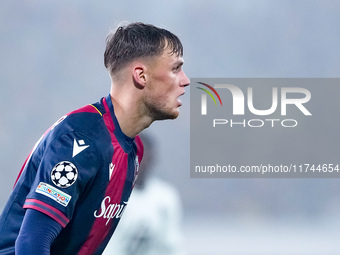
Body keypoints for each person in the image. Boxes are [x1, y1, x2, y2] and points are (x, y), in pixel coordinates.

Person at [0, 22, 190, 255]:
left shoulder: (134, 148)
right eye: (175, 69)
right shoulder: (81, 140)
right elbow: (31, 244)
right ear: (141, 76)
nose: (185, 80)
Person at [102, 133, 185, 255]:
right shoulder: (109, 195)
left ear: (153, 158)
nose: (140, 161)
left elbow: (172, 243)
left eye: (143, 155)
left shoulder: (166, 197)